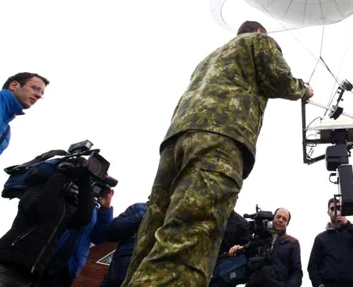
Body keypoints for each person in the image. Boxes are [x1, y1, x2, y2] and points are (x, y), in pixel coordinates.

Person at [123, 21, 313, 286]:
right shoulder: (258, 42)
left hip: (176, 141)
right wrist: (303, 89)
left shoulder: (209, 59)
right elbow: (278, 78)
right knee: (192, 236)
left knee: (152, 233)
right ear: (258, 32)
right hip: (220, 141)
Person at [0, 164, 94, 286]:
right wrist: (61, 173)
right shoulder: (34, 192)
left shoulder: (65, 209)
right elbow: (42, 208)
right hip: (2, 266)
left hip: (28, 277)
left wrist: (85, 183)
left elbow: (83, 218)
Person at [37, 187, 115, 286]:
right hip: (44, 257)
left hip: (68, 268)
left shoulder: (94, 210)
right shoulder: (64, 192)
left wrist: (105, 208)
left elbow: (99, 238)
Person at [0, 72, 49, 176]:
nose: (38, 95)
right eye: (35, 88)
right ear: (14, 85)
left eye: (41, 94)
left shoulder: (5, 135)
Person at [227, 208, 302, 287]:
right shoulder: (260, 237)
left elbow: (296, 272)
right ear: (273, 218)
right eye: (278, 217)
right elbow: (248, 255)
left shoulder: (292, 243)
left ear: (287, 223)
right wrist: (238, 248)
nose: (280, 220)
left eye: (284, 219)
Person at [307, 198, 353, 287]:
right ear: (328, 212)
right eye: (332, 209)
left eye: (338, 208)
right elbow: (312, 266)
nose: (336, 211)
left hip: (352, 284)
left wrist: (347, 224)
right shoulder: (321, 238)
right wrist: (319, 285)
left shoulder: (351, 233)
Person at [100, 201, 149, 287]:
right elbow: (110, 233)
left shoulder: (172, 216)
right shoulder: (139, 208)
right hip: (117, 276)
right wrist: (141, 218)